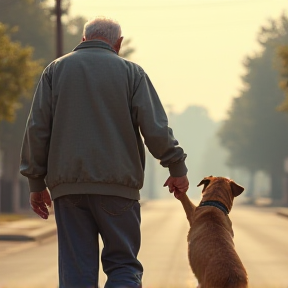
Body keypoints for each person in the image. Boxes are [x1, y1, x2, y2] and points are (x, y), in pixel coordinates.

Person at [20, 16, 189, 288]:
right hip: (118, 187)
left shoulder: (54, 71)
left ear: (83, 39)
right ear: (118, 43)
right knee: (123, 265)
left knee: (77, 272)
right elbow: (155, 128)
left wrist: (36, 182)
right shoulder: (132, 73)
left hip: (68, 188)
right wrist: (176, 167)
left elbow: (37, 128)